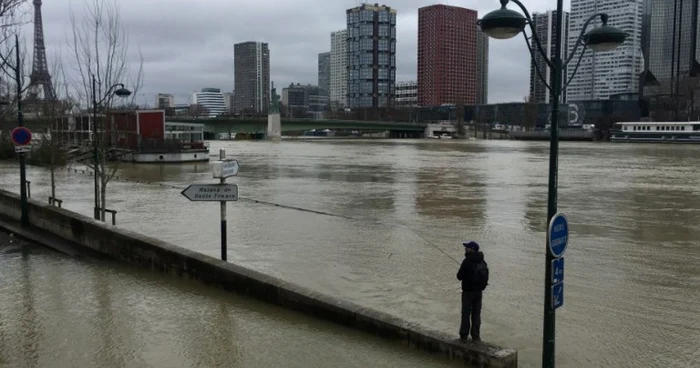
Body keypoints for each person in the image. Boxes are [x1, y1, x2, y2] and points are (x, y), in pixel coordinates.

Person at [457, 241, 489, 342]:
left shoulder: (466, 261)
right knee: (476, 314)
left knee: (466, 313)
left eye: (467, 247)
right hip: (479, 292)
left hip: (468, 292)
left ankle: (464, 336)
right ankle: (476, 337)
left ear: (472, 249)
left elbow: (459, 276)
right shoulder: (483, 261)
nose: (465, 249)